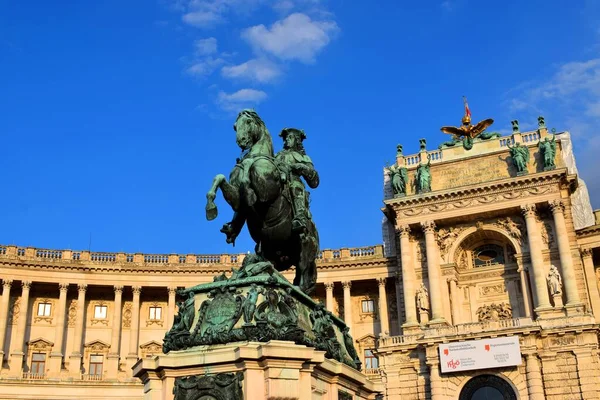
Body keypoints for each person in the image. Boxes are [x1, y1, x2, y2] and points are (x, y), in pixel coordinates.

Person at [275, 128, 320, 233]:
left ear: (297, 140)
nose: (286, 140)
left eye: (290, 137)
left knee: (295, 186)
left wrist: (302, 167)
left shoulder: (303, 157)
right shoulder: (276, 156)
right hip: (277, 183)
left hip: (293, 182)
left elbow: (315, 181)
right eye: (286, 138)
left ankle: (300, 217)